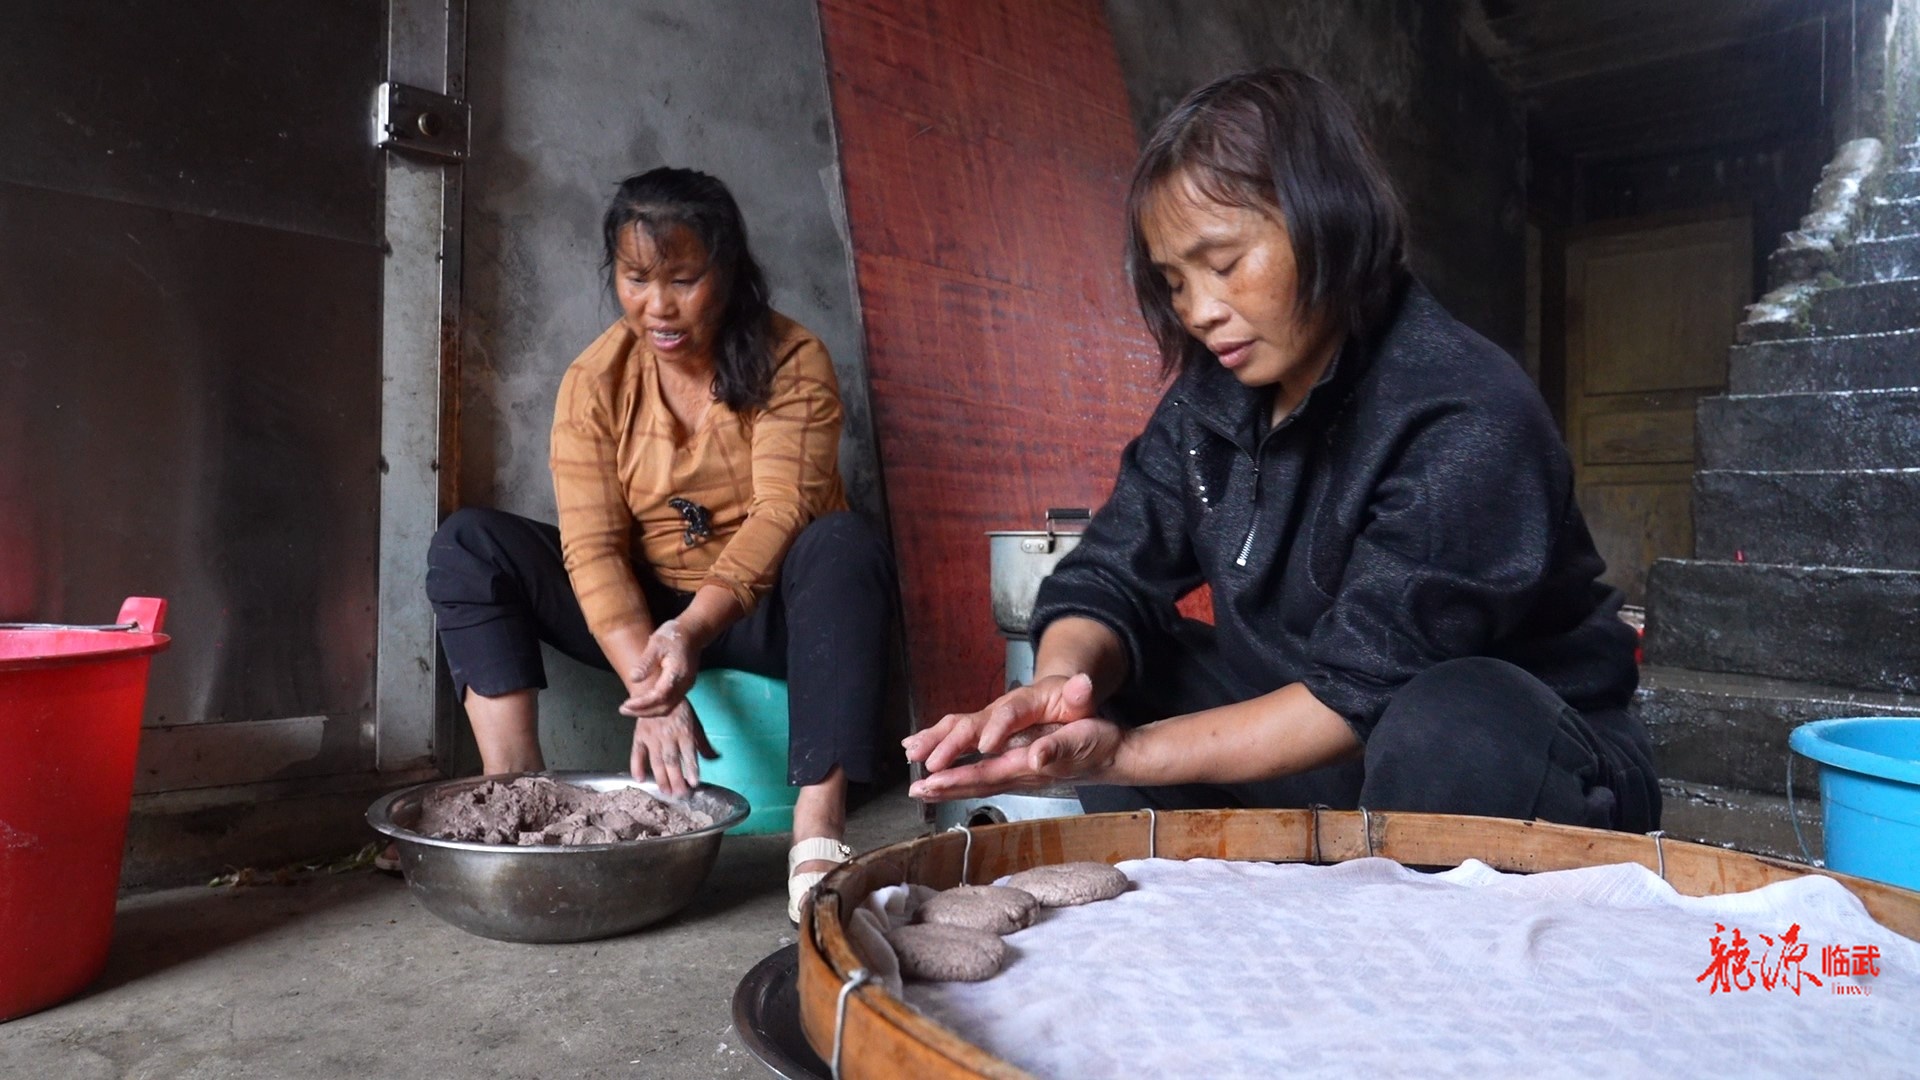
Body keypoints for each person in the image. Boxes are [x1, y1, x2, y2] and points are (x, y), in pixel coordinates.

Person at [905, 69, 1659, 833]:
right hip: (1317, 750)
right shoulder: (1208, 402)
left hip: (1511, 761)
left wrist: (1126, 756)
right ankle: (1275, 871)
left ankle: (1398, 887)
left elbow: (1365, 690)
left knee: (1448, 728)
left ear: (1327, 221)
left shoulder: (1464, 409)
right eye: (1174, 282)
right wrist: (1061, 688)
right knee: (1115, 675)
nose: (1199, 311)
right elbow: (1108, 574)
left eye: (1224, 265)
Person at [424, 167, 896, 921]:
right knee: (470, 543)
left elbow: (782, 511)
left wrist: (690, 631)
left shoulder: (791, 358)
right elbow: (593, 547)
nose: (658, 306)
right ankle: (517, 795)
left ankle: (818, 827)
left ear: (728, 271)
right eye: (637, 278)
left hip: (770, 610)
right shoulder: (596, 380)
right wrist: (650, 684)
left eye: (683, 279)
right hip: (650, 613)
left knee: (844, 542)